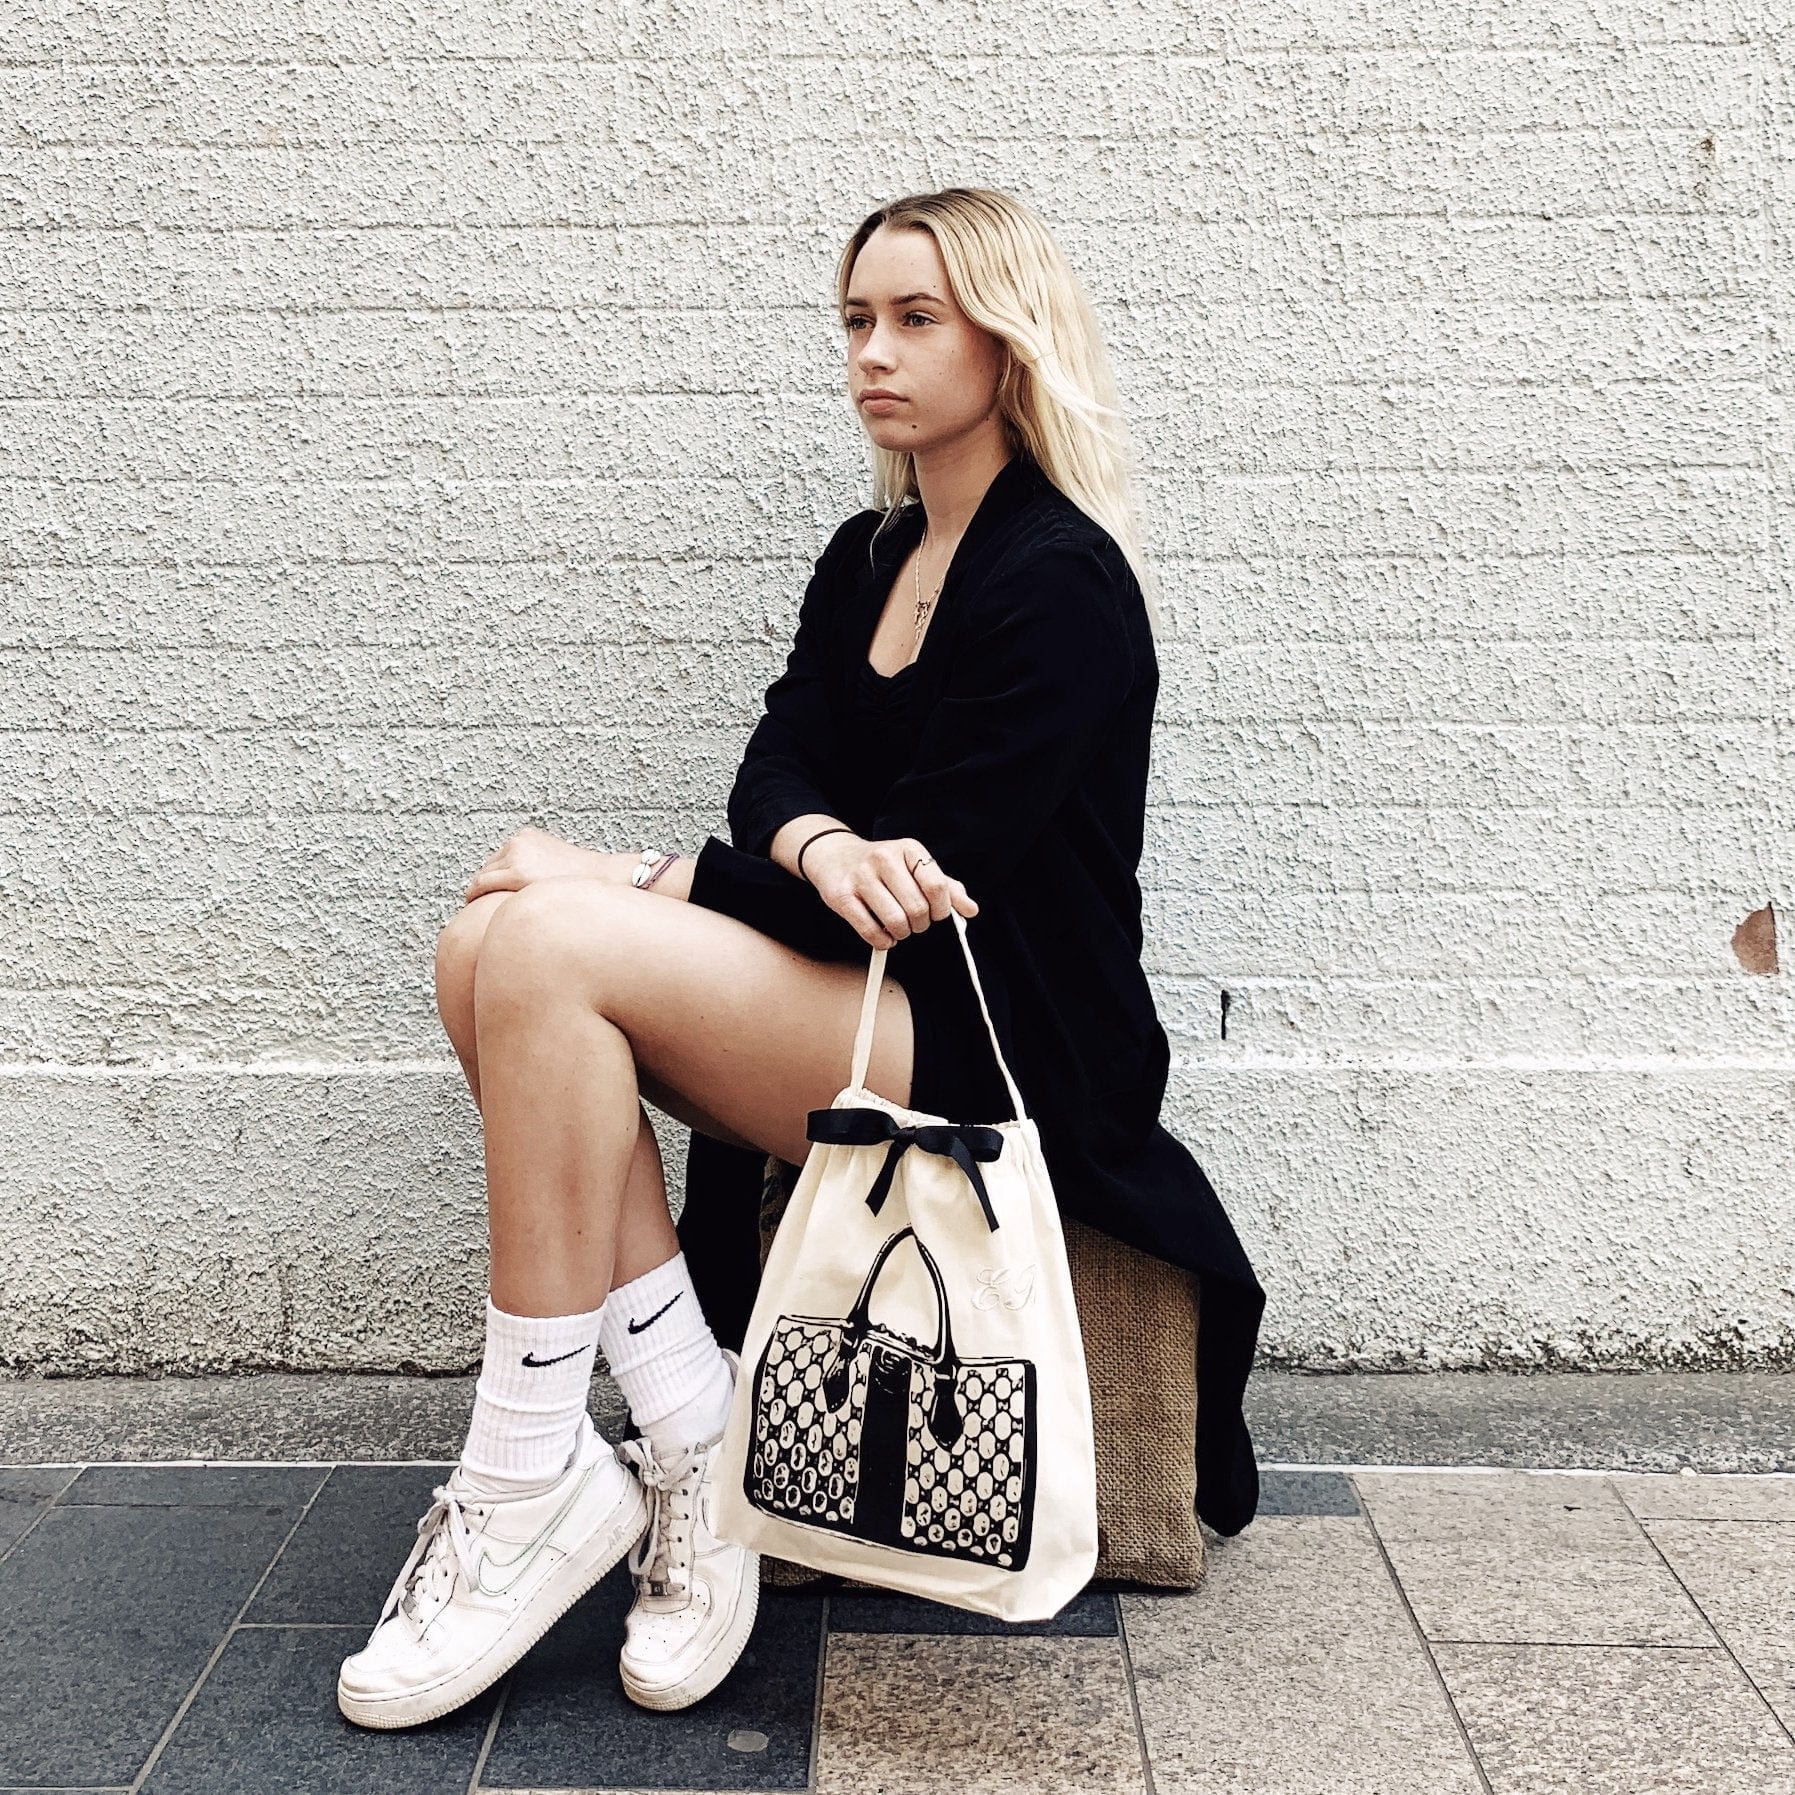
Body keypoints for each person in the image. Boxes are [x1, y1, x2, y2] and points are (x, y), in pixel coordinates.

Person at [337, 185, 1266, 1734]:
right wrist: (817, 844)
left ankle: (524, 1478)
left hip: (1010, 1038)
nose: (874, 356)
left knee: (548, 937)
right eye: (855, 321)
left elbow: (936, 879)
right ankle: (688, 1443)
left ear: (1007, 337)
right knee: (481, 949)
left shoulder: (1060, 580)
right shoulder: (869, 553)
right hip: (870, 991)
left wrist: (654, 874)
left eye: (916, 318)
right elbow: (778, 777)